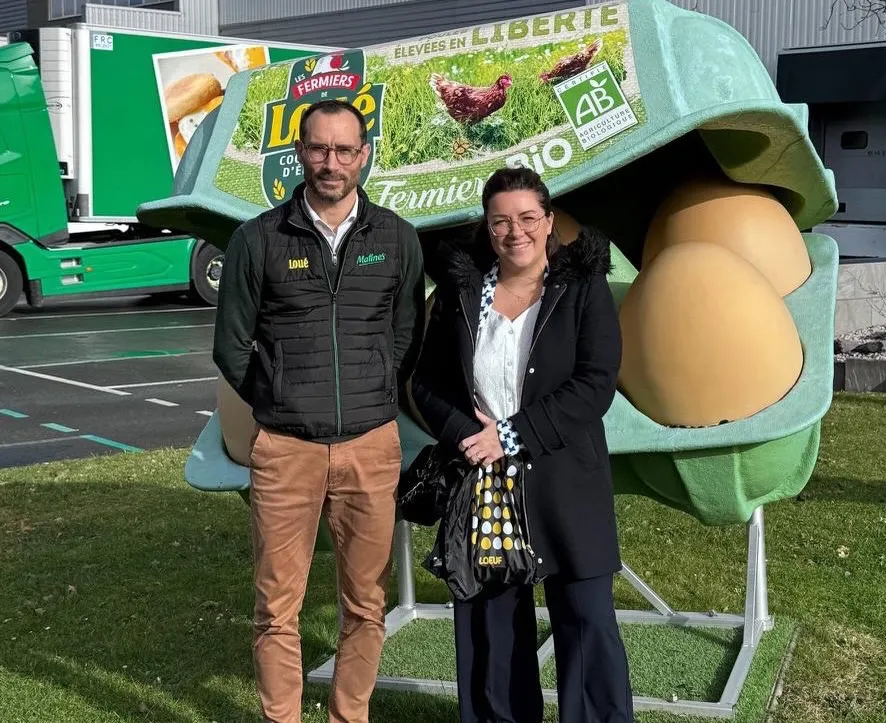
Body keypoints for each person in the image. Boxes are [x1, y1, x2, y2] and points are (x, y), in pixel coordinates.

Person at [213, 99, 425, 723]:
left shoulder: (396, 238)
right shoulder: (257, 239)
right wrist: (280, 399)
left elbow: (407, 334)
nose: (331, 163)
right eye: (319, 148)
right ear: (299, 152)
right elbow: (231, 346)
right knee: (276, 608)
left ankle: (348, 716)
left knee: (365, 604)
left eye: (344, 150)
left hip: (371, 446)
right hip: (285, 450)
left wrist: (373, 389)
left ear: (364, 155)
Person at [410, 166, 632, 723]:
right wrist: (469, 436)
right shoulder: (461, 294)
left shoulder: (582, 288)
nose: (516, 232)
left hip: (565, 479)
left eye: (528, 218)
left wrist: (511, 435)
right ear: (487, 228)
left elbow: (596, 382)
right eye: (501, 221)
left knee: (586, 620)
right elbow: (426, 383)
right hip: (484, 483)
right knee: (493, 629)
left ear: (549, 221)